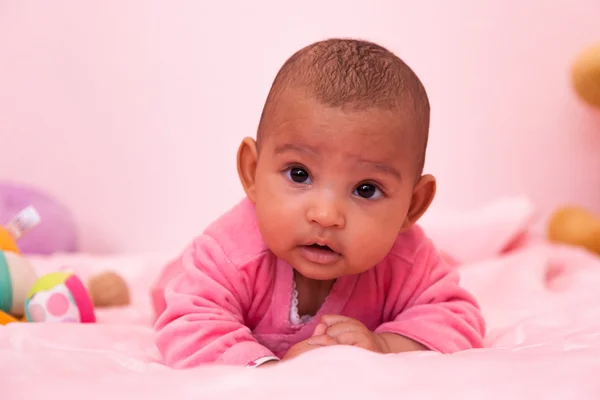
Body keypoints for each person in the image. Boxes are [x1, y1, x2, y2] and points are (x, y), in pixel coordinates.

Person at [153, 38, 485, 368]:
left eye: (366, 189)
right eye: (299, 174)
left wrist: (385, 346)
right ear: (252, 172)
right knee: (170, 283)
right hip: (179, 283)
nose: (326, 216)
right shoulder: (228, 254)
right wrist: (269, 370)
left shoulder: (408, 261)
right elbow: (190, 325)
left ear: (412, 207)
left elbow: (456, 319)